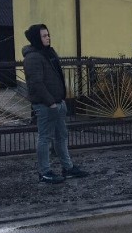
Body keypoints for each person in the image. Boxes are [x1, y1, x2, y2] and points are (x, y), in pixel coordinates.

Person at [22, 24, 89, 183]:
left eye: (48, 34)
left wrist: (60, 100)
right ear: (36, 38)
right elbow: (36, 83)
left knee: (61, 136)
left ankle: (68, 168)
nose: (48, 38)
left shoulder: (48, 53)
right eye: (44, 36)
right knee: (45, 138)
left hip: (58, 103)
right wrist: (51, 103)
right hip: (46, 105)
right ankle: (44, 172)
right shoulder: (32, 57)